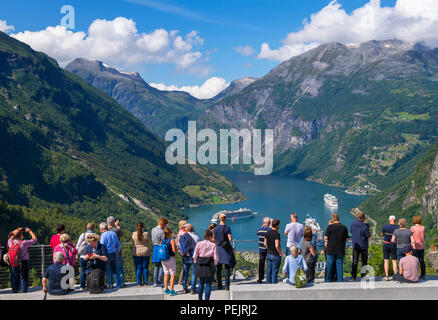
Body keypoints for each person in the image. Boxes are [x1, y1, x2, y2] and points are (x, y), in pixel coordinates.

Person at [8, 227, 37, 293]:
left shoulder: (10, 242)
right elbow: (34, 239)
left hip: (13, 262)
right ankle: (23, 293)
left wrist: (18, 230)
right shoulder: (24, 243)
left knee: (15, 277)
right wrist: (30, 231)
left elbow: (10, 236)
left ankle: (15, 292)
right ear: (21, 235)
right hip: (23, 262)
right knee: (24, 278)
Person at [194, 229, 219, 300]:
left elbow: (195, 255)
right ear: (210, 236)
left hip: (200, 263)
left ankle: (199, 299)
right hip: (209, 264)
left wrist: (196, 262)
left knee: (201, 283)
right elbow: (216, 257)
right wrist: (215, 264)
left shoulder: (199, 243)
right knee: (208, 284)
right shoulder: (213, 245)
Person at [213, 214, 236, 290]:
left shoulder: (215, 228)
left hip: (218, 249)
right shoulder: (227, 228)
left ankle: (219, 285)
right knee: (227, 267)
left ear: (219, 219)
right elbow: (230, 239)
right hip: (226, 249)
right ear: (225, 219)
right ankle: (227, 285)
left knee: (219, 268)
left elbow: (213, 239)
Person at [324, 213, 348, 282]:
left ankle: (327, 281)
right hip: (340, 249)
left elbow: (325, 237)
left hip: (330, 250)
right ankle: (340, 281)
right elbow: (347, 239)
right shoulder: (344, 227)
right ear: (338, 218)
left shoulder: (330, 227)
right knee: (339, 266)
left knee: (329, 266)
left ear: (333, 219)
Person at [99, 222, 122, 289]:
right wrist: (117, 252)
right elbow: (119, 245)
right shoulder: (113, 234)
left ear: (102, 229)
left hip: (106, 254)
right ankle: (118, 285)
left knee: (108, 270)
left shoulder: (103, 235)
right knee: (114, 270)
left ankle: (110, 284)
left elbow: (102, 245)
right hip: (113, 253)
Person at [350, 212, 371, 281]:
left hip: (355, 245)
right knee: (364, 261)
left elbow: (351, 231)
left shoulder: (353, 224)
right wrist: (367, 227)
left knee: (355, 261)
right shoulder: (365, 226)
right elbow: (368, 235)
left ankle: (353, 276)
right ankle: (363, 276)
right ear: (362, 218)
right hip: (363, 246)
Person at [107, 216, 126, 288]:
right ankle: (121, 283)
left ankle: (110, 284)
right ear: (113, 222)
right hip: (117, 251)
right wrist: (118, 225)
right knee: (119, 268)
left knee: (109, 269)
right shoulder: (116, 230)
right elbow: (122, 235)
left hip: (108, 252)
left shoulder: (105, 231)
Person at [76, 222, 95, 290]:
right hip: (91, 255)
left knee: (83, 271)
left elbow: (78, 245)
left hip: (82, 256)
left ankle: (82, 286)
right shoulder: (94, 235)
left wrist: (77, 254)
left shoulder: (83, 235)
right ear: (93, 228)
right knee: (92, 271)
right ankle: (91, 285)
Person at [180, 224, 198, 294]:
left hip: (185, 256)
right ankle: (193, 290)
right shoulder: (196, 237)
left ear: (186, 230)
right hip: (193, 257)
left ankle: (185, 288)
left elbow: (180, 246)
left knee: (185, 273)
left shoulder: (182, 237)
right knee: (193, 273)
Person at [132, 222, 151, 286]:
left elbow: (133, 243)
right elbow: (148, 242)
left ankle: (139, 282)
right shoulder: (146, 234)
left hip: (136, 252)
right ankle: (145, 282)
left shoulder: (134, 234)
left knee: (138, 267)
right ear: (142, 227)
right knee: (145, 267)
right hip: (145, 251)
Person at [151, 217, 168, 287]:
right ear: (163, 224)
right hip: (160, 248)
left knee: (156, 265)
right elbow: (163, 241)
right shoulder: (161, 232)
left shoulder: (153, 229)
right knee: (162, 265)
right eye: (165, 225)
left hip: (155, 247)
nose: (165, 226)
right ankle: (159, 280)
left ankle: (155, 282)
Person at [264, 219, 282, 284]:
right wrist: (280, 252)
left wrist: (269, 249)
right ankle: (274, 286)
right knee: (274, 272)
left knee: (269, 271)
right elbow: (277, 245)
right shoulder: (277, 234)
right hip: (275, 255)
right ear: (277, 225)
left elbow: (265, 243)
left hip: (269, 254)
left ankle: (268, 284)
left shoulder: (267, 233)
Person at [381, 216, 398, 281]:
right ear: (395, 220)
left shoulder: (385, 227)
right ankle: (395, 275)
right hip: (393, 245)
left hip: (386, 244)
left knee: (386, 260)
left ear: (389, 220)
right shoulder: (397, 228)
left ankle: (387, 276)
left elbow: (381, 234)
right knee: (394, 261)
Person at [161, 228, 177, 296]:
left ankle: (166, 289)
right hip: (171, 259)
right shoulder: (172, 240)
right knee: (172, 275)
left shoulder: (162, 241)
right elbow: (173, 250)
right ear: (169, 233)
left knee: (166, 274)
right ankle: (171, 290)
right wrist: (176, 249)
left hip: (163, 259)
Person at [256, 217, 271, 283]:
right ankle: (268, 277)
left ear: (263, 223)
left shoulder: (260, 230)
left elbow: (257, 233)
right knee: (269, 263)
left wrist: (262, 226)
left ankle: (260, 277)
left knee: (261, 263)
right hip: (268, 249)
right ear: (269, 223)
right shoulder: (270, 230)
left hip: (261, 249)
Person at [176, 220, 187, 286]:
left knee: (184, 265)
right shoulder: (183, 233)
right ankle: (181, 281)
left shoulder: (180, 232)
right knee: (185, 266)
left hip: (180, 250)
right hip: (183, 251)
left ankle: (183, 279)